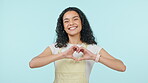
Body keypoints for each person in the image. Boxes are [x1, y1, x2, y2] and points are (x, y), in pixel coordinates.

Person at [29, 7, 126, 83]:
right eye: (66, 21)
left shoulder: (92, 48)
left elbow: (121, 67)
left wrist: (94, 57)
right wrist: (62, 55)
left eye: (75, 19)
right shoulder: (55, 47)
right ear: (63, 27)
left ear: (82, 22)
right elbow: (33, 63)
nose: (71, 23)